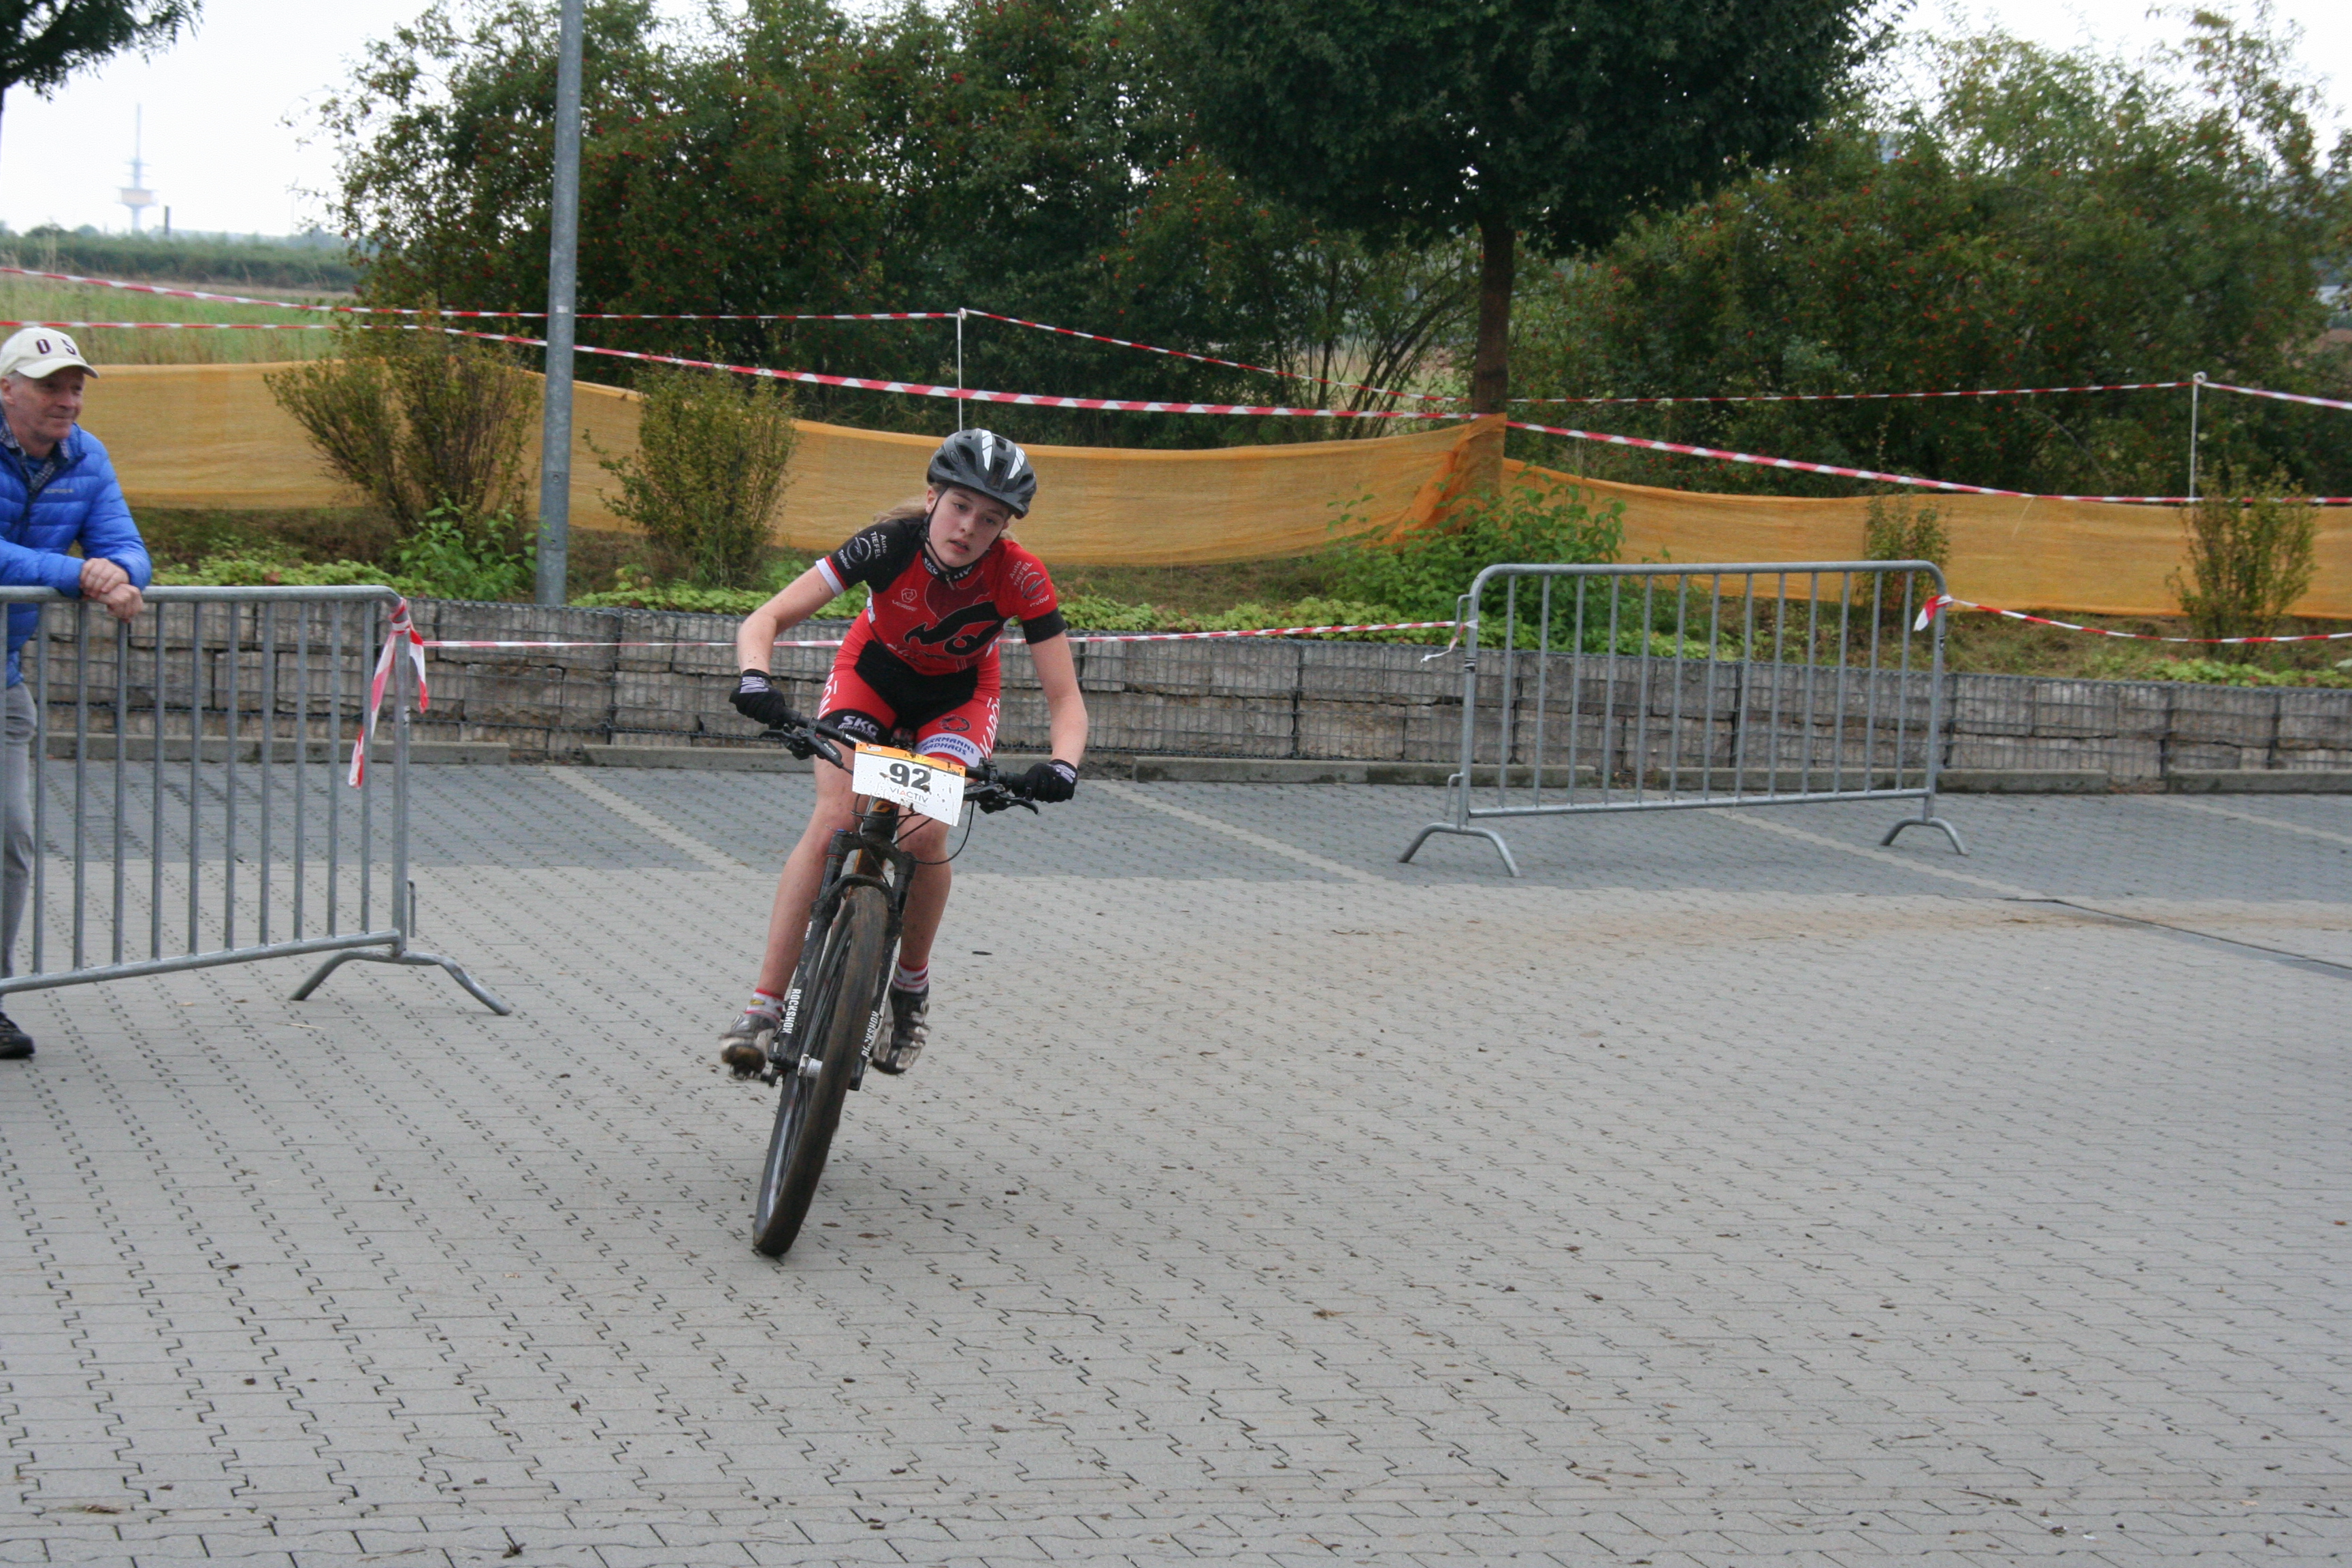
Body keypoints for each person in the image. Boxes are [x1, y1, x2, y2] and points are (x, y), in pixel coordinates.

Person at [722, 428, 1087, 1076]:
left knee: (924, 832)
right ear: (932, 497)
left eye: (990, 518)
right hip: (871, 676)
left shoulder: (1022, 576)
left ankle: (909, 988)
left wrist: (1063, 765)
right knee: (836, 818)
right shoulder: (886, 544)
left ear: (1005, 528)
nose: (969, 527)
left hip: (959, 698)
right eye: (960, 506)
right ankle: (764, 1007)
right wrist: (755, 678)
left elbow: (1066, 701)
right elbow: (765, 619)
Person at [0, 327, 152, 1061]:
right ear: (7, 389)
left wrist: (116, 573)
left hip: (3, 680)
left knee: (10, 840)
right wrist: (73, 574)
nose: (67, 400)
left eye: (75, 386)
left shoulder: (87, 457)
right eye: (50, 386)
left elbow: (127, 549)